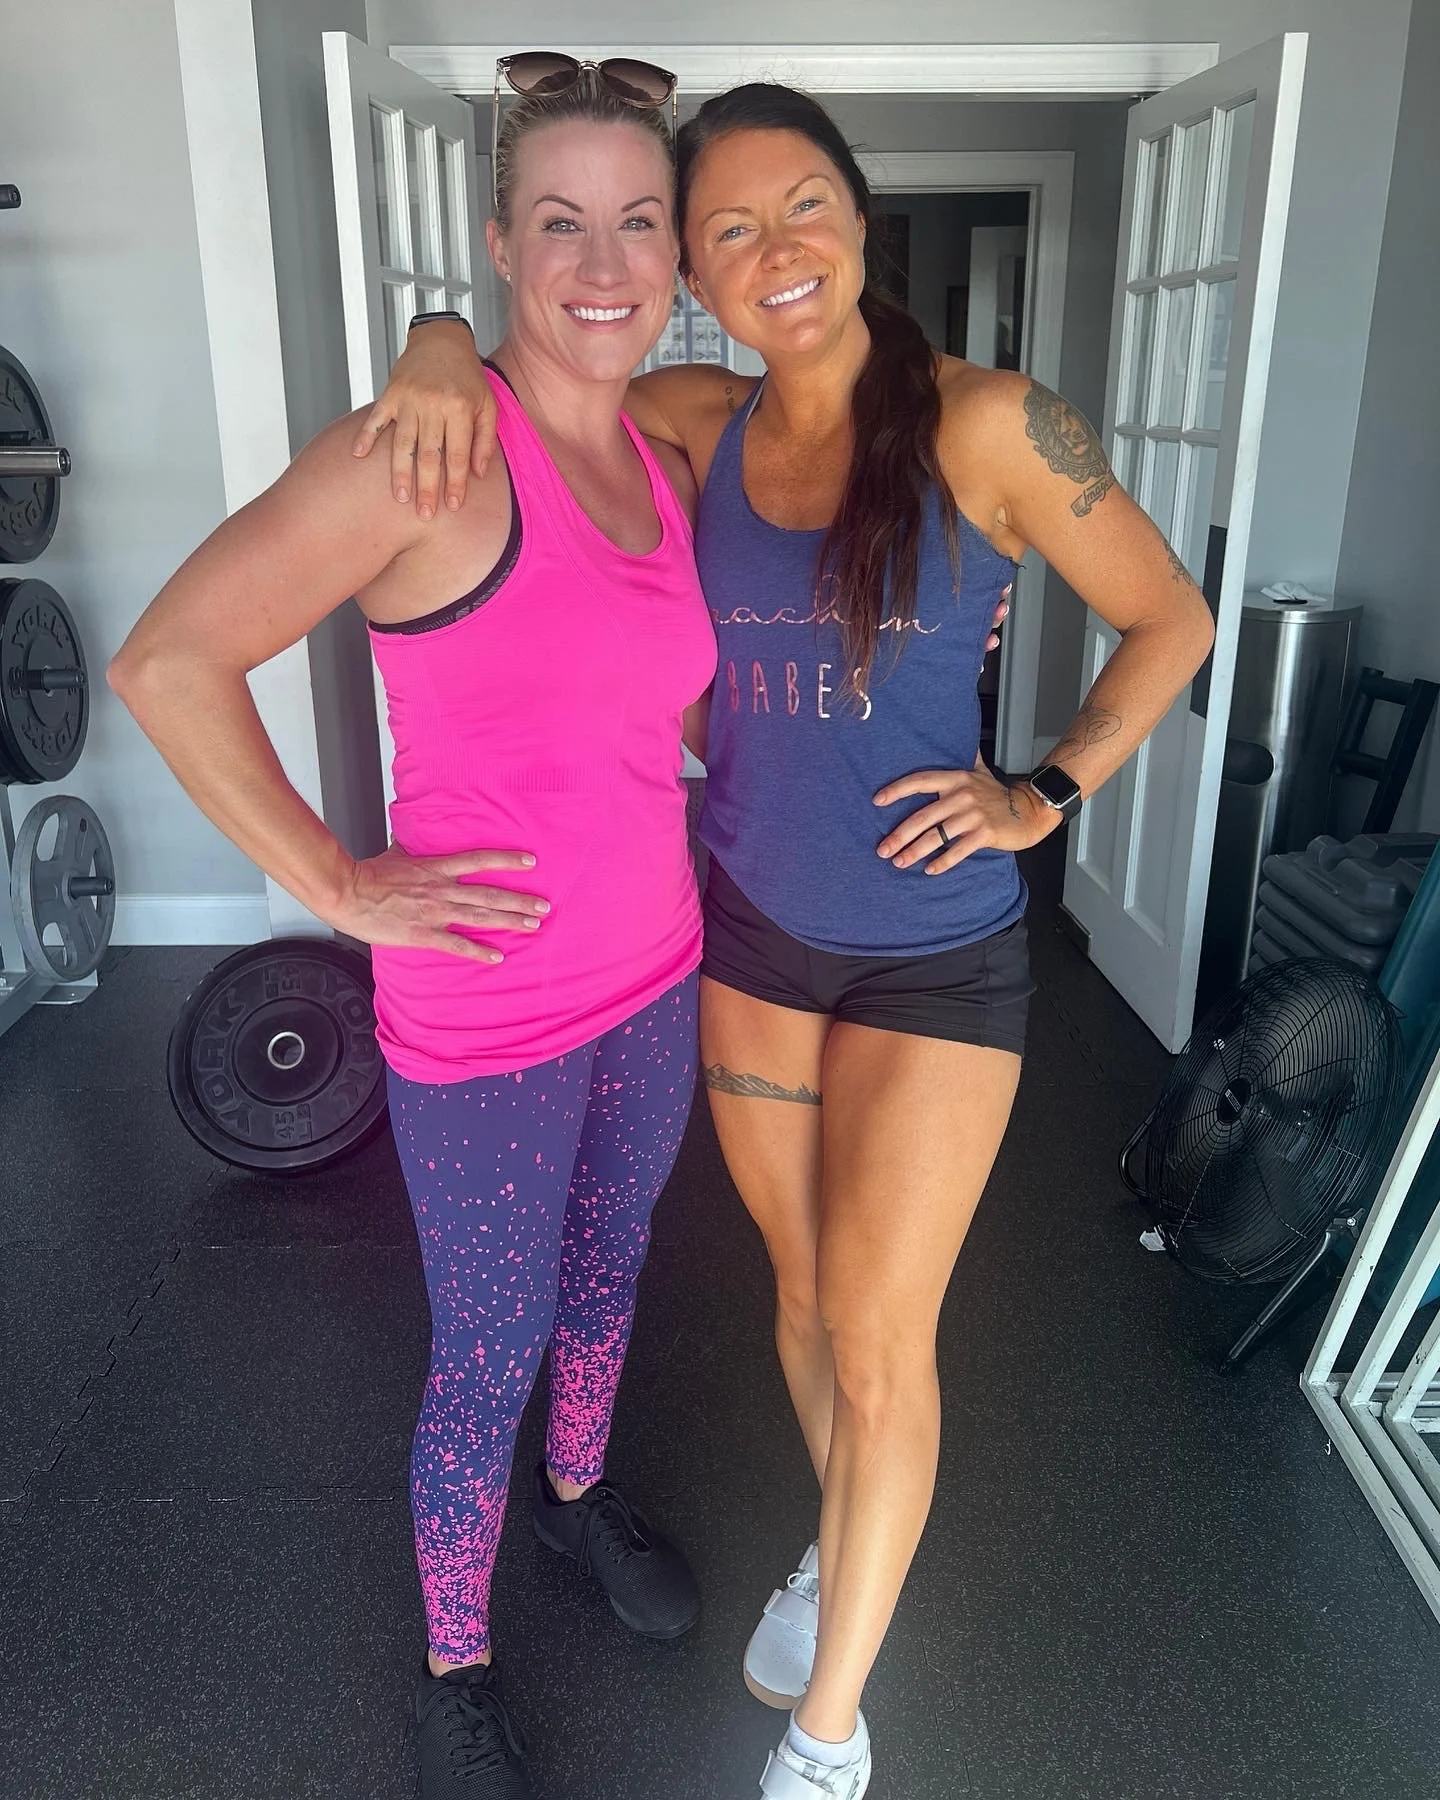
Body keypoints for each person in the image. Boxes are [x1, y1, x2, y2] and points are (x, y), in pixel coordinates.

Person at [362, 77, 1215, 1800]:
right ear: (696, 269)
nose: (773, 251)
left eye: (801, 206)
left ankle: (829, 1736)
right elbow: (548, 392)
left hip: (932, 960)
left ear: (859, 217)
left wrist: (1045, 788)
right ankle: (842, 1545)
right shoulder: (693, 415)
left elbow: (1168, 617)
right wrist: (439, 338)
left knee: (887, 1335)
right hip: (745, 937)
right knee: (809, 1298)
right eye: (730, 227)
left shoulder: (987, 425)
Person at [109, 61, 722, 1800]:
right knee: (489, 1346)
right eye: (559, 223)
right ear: (500, 242)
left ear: (675, 249)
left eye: (637, 221)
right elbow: (167, 660)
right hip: (490, 1021)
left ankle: (580, 1501)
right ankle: (454, 1667)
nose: (602, 262)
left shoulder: (666, 448)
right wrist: (335, 883)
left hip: (656, 974)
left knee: (611, 1281)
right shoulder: (428, 453)